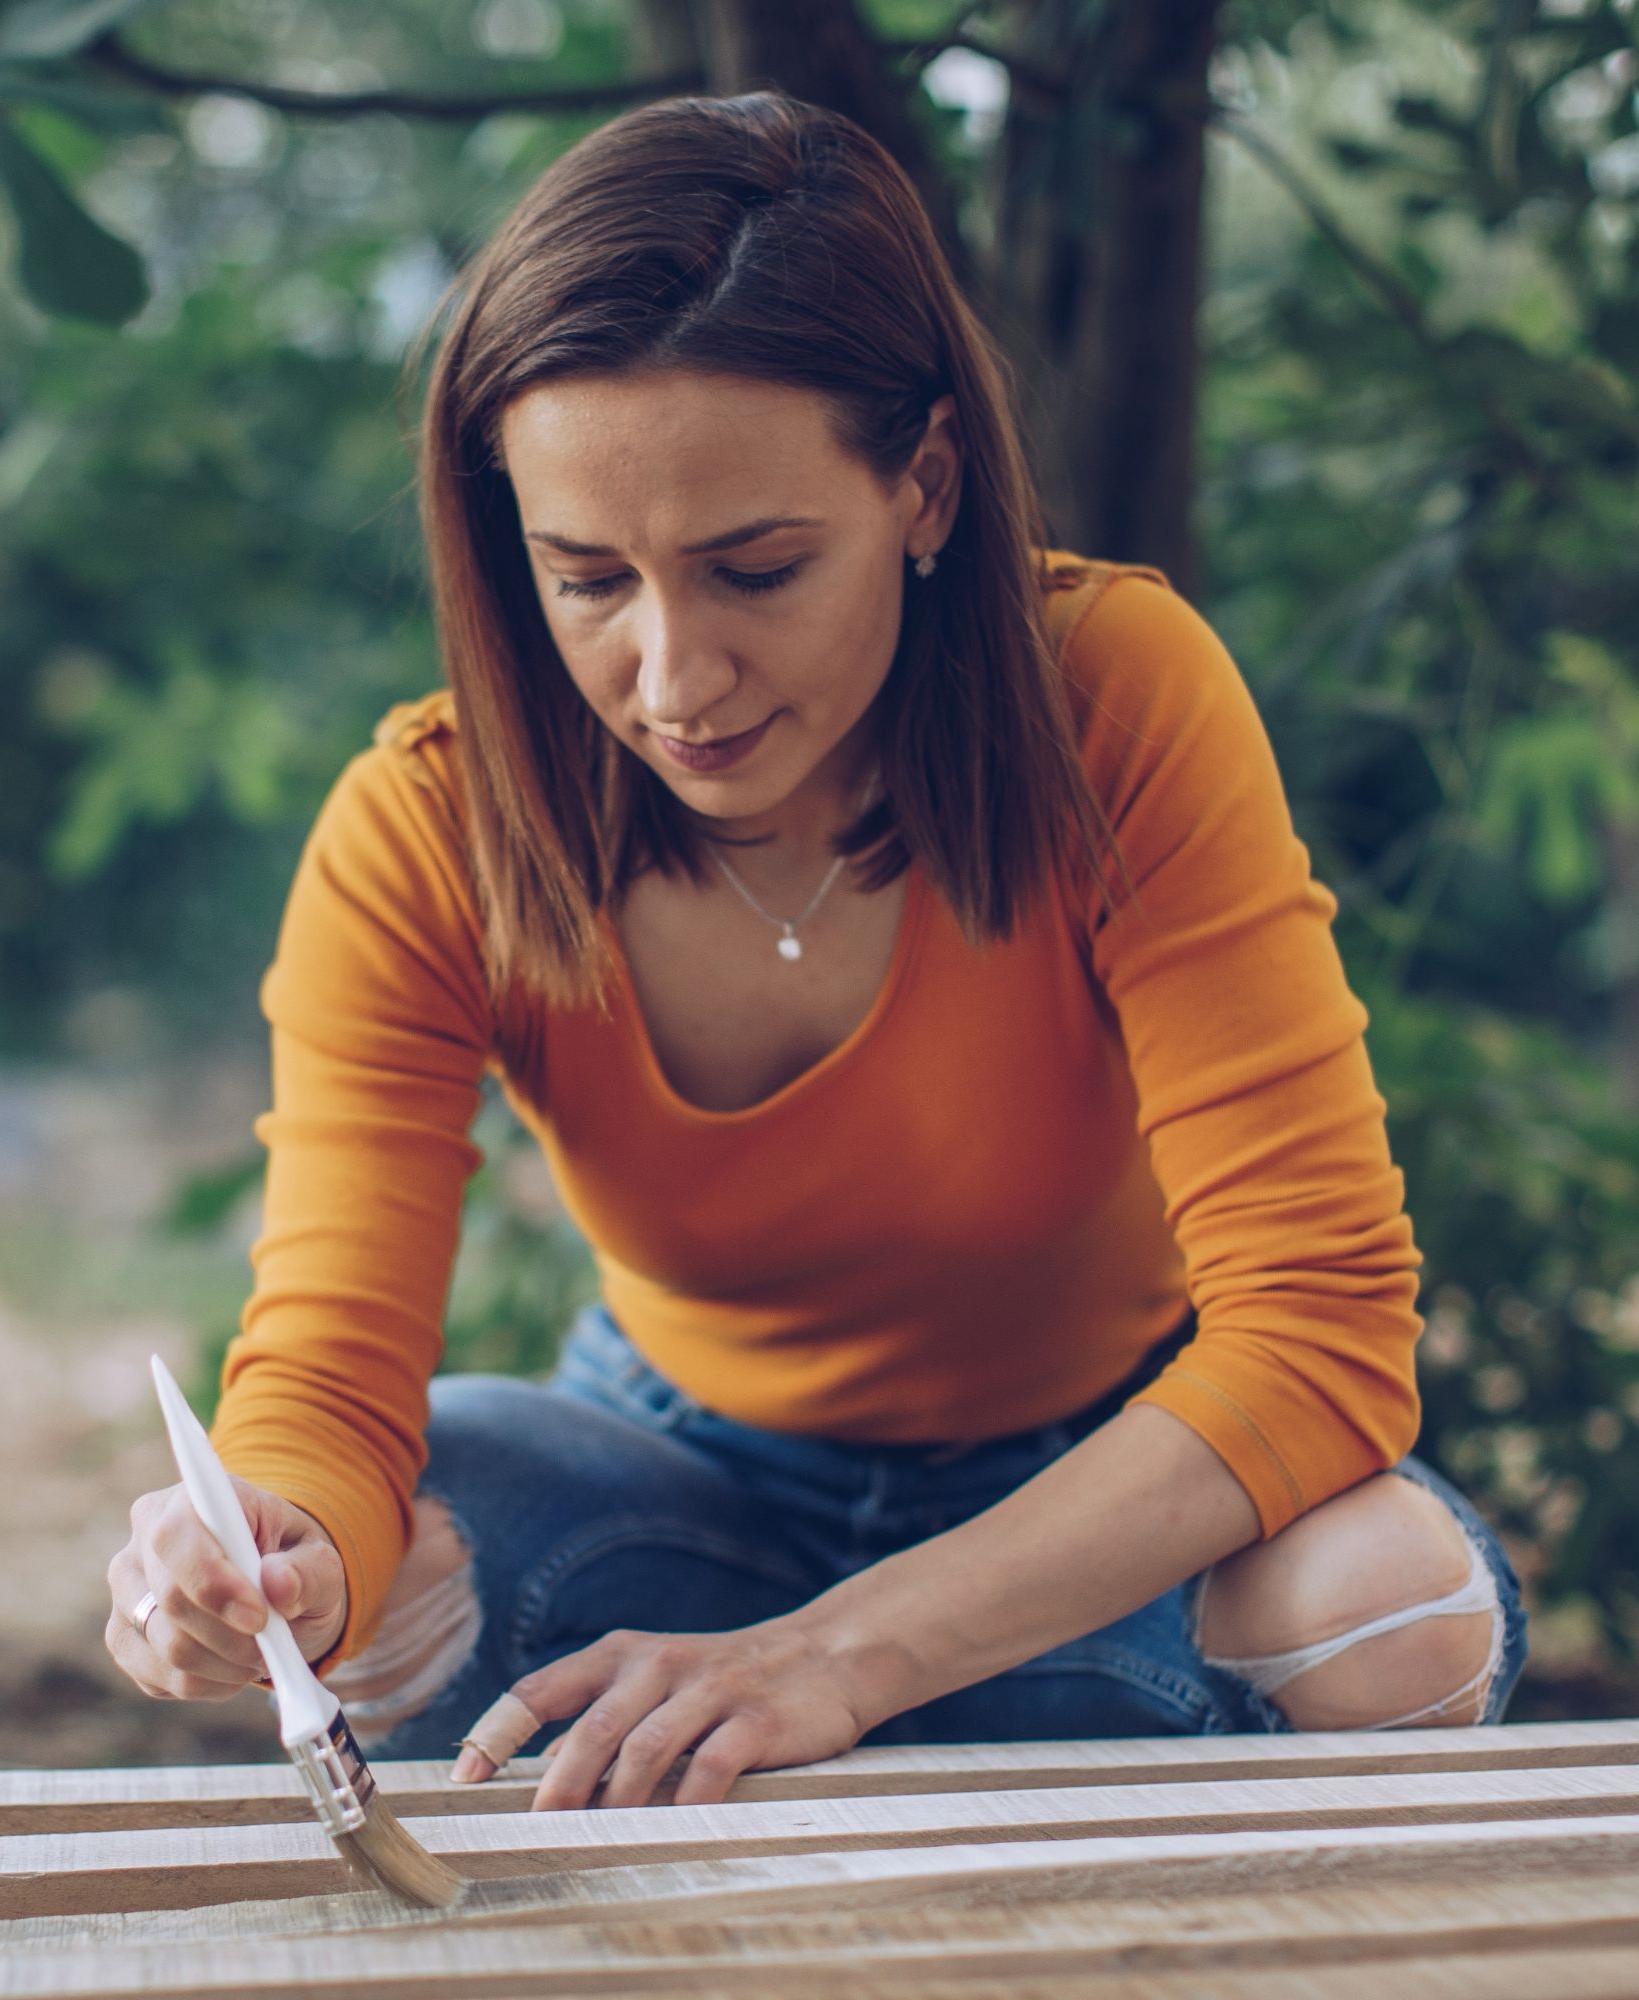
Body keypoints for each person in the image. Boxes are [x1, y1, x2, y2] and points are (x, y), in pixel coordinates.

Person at [100, 91, 1527, 1814]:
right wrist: (268, 1554)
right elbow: (328, 1372)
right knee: (383, 1584)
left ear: (925, 485)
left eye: (756, 569)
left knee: (1392, 1614)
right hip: (675, 1488)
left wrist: (851, 1652)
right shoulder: (424, 829)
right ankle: (854, 1735)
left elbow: (1317, 1333)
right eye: (586, 581)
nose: (675, 677)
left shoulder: (1116, 696)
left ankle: (894, 1719)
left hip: (1108, 1485)